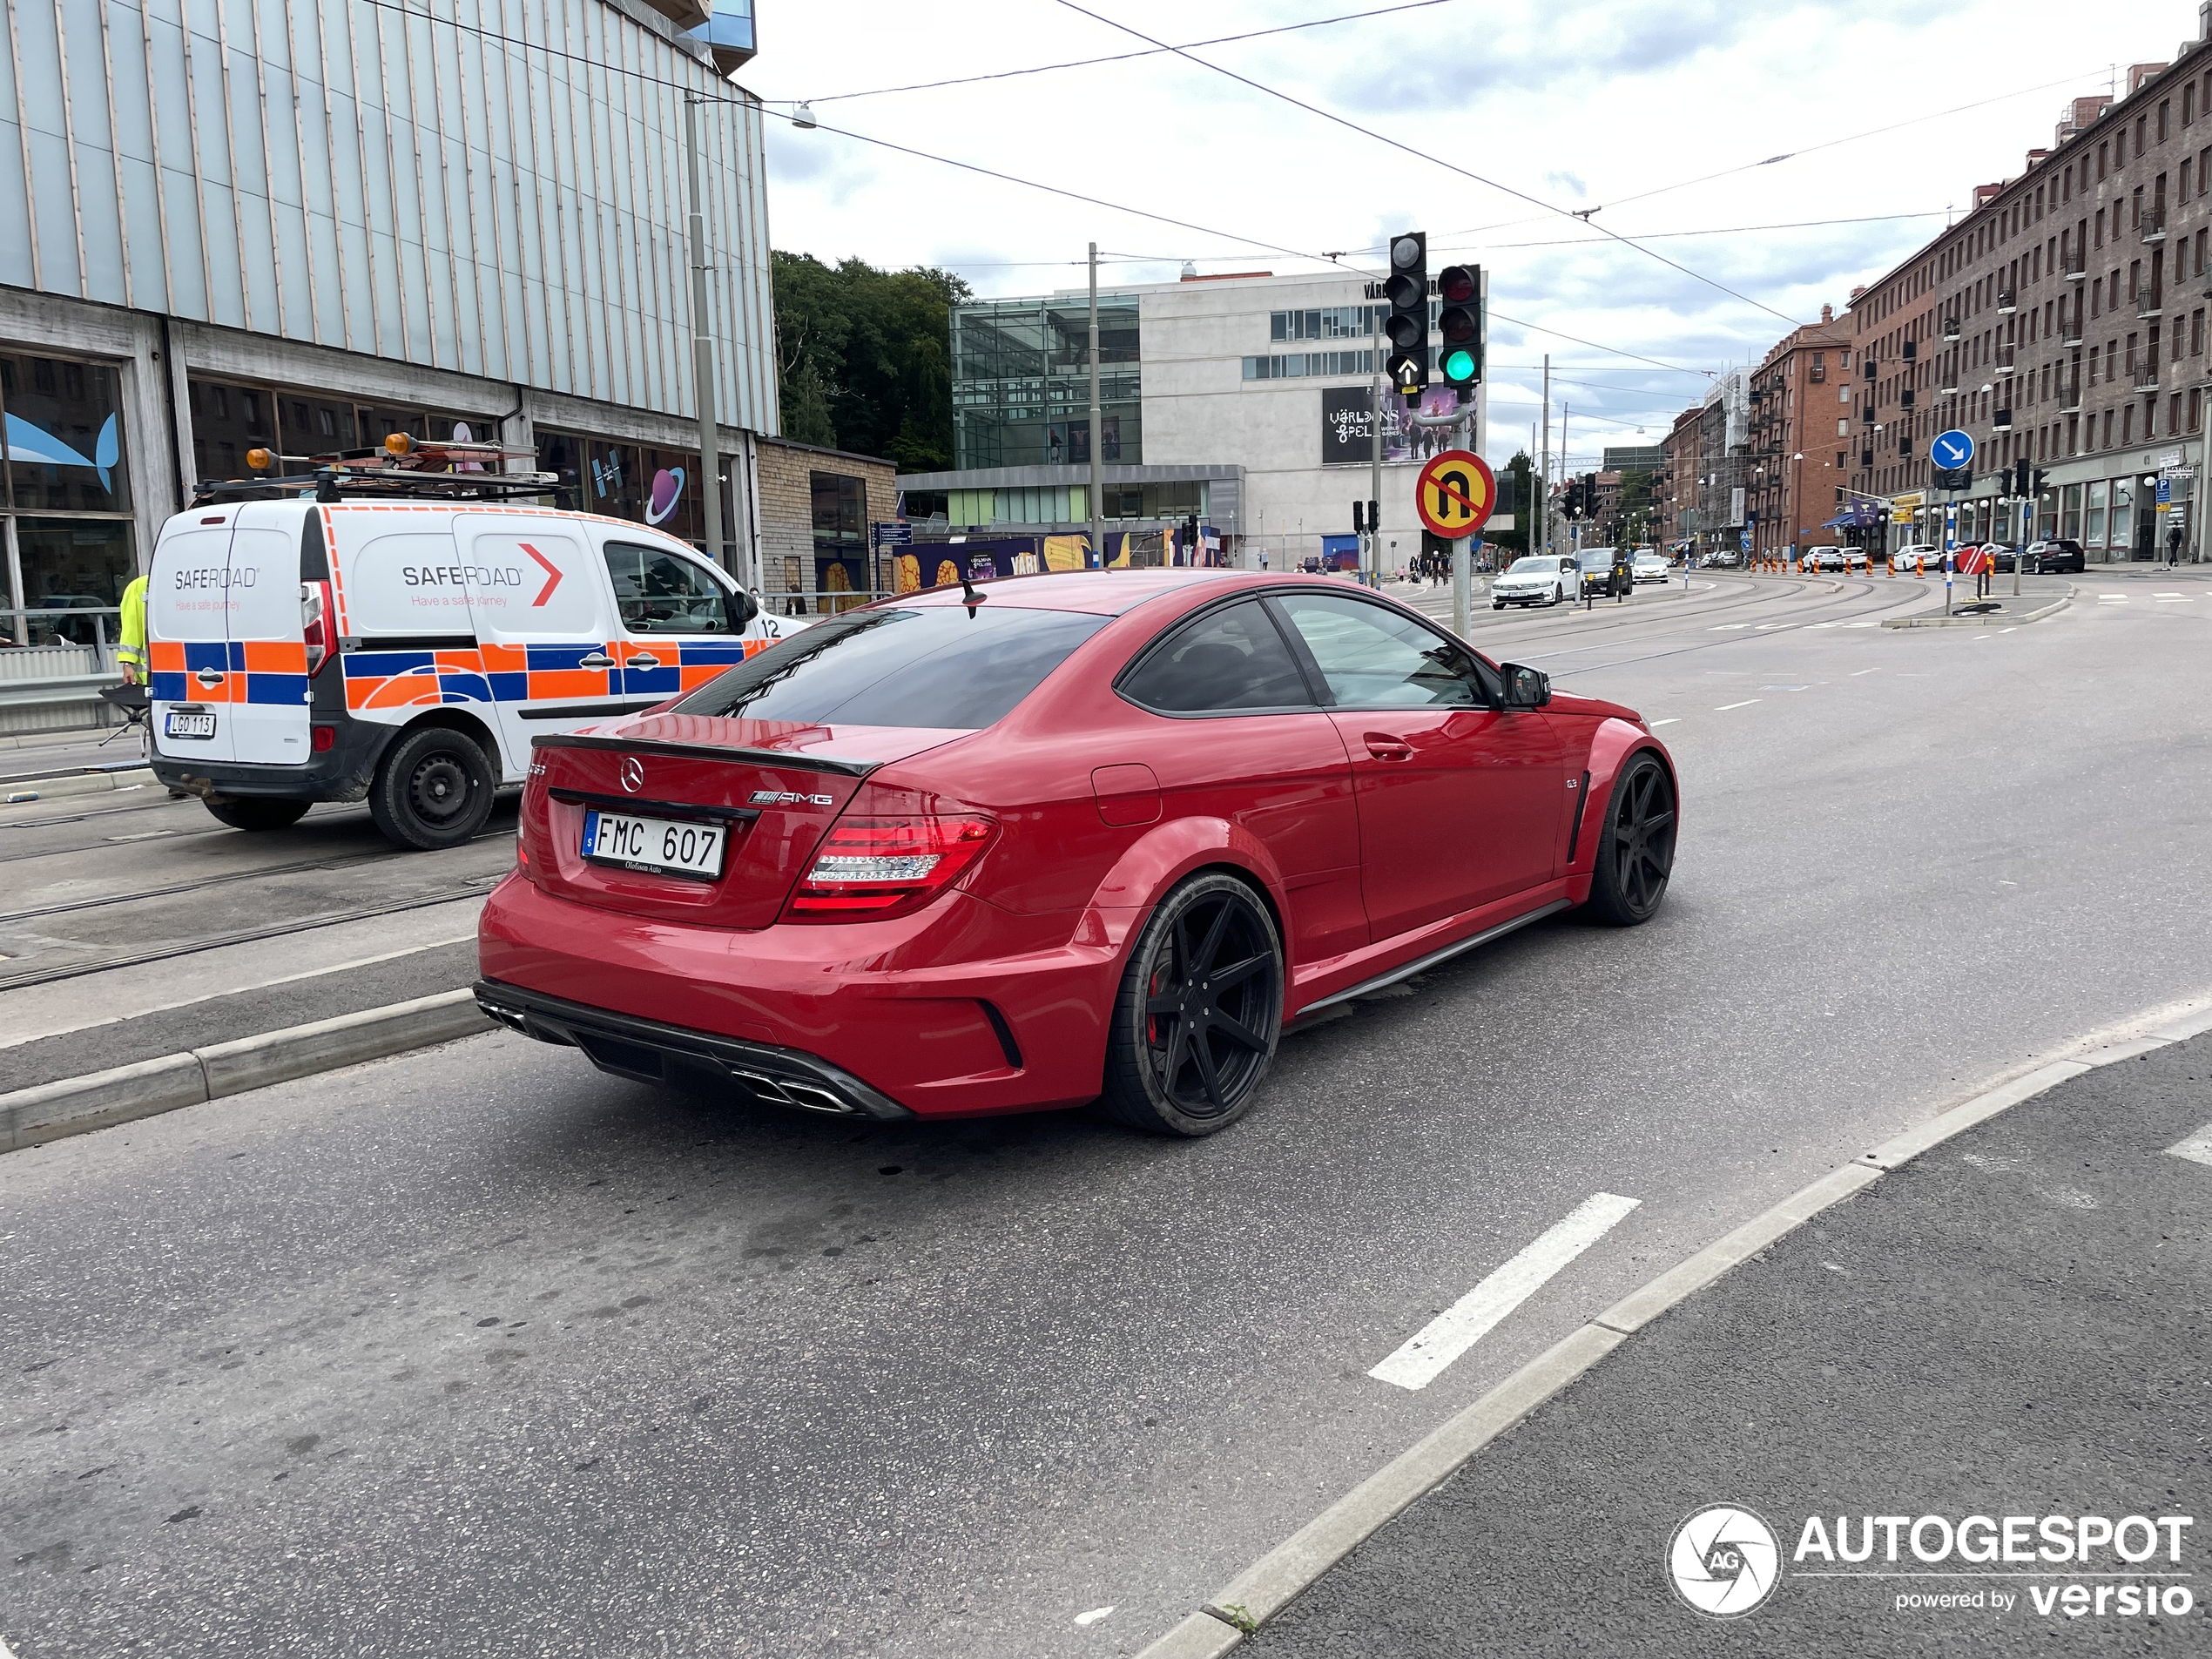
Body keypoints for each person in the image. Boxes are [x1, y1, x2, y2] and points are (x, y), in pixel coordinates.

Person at [116, 568, 148, 685]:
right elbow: (131, 629)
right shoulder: (139, 586)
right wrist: (128, 663)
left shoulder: (138, 586)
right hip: (152, 677)